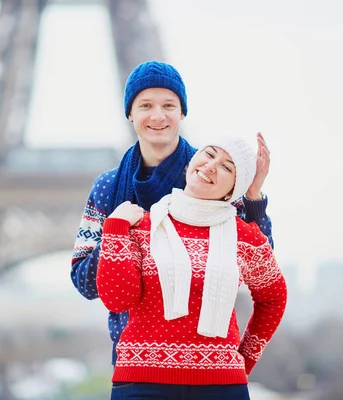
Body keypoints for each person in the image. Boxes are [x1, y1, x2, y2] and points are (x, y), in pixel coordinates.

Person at [70, 60, 275, 365]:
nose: (157, 116)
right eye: (145, 105)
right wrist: (117, 232)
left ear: (182, 112)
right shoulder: (109, 187)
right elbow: (85, 283)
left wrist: (254, 196)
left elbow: (261, 271)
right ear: (130, 113)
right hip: (136, 363)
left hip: (206, 361)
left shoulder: (212, 176)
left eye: (168, 105)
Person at [96, 137, 287, 399]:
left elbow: (274, 298)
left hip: (221, 387)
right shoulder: (141, 226)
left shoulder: (246, 238)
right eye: (208, 154)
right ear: (189, 164)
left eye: (227, 167)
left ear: (233, 190)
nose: (211, 165)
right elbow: (117, 300)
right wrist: (115, 228)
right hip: (141, 385)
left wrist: (244, 360)